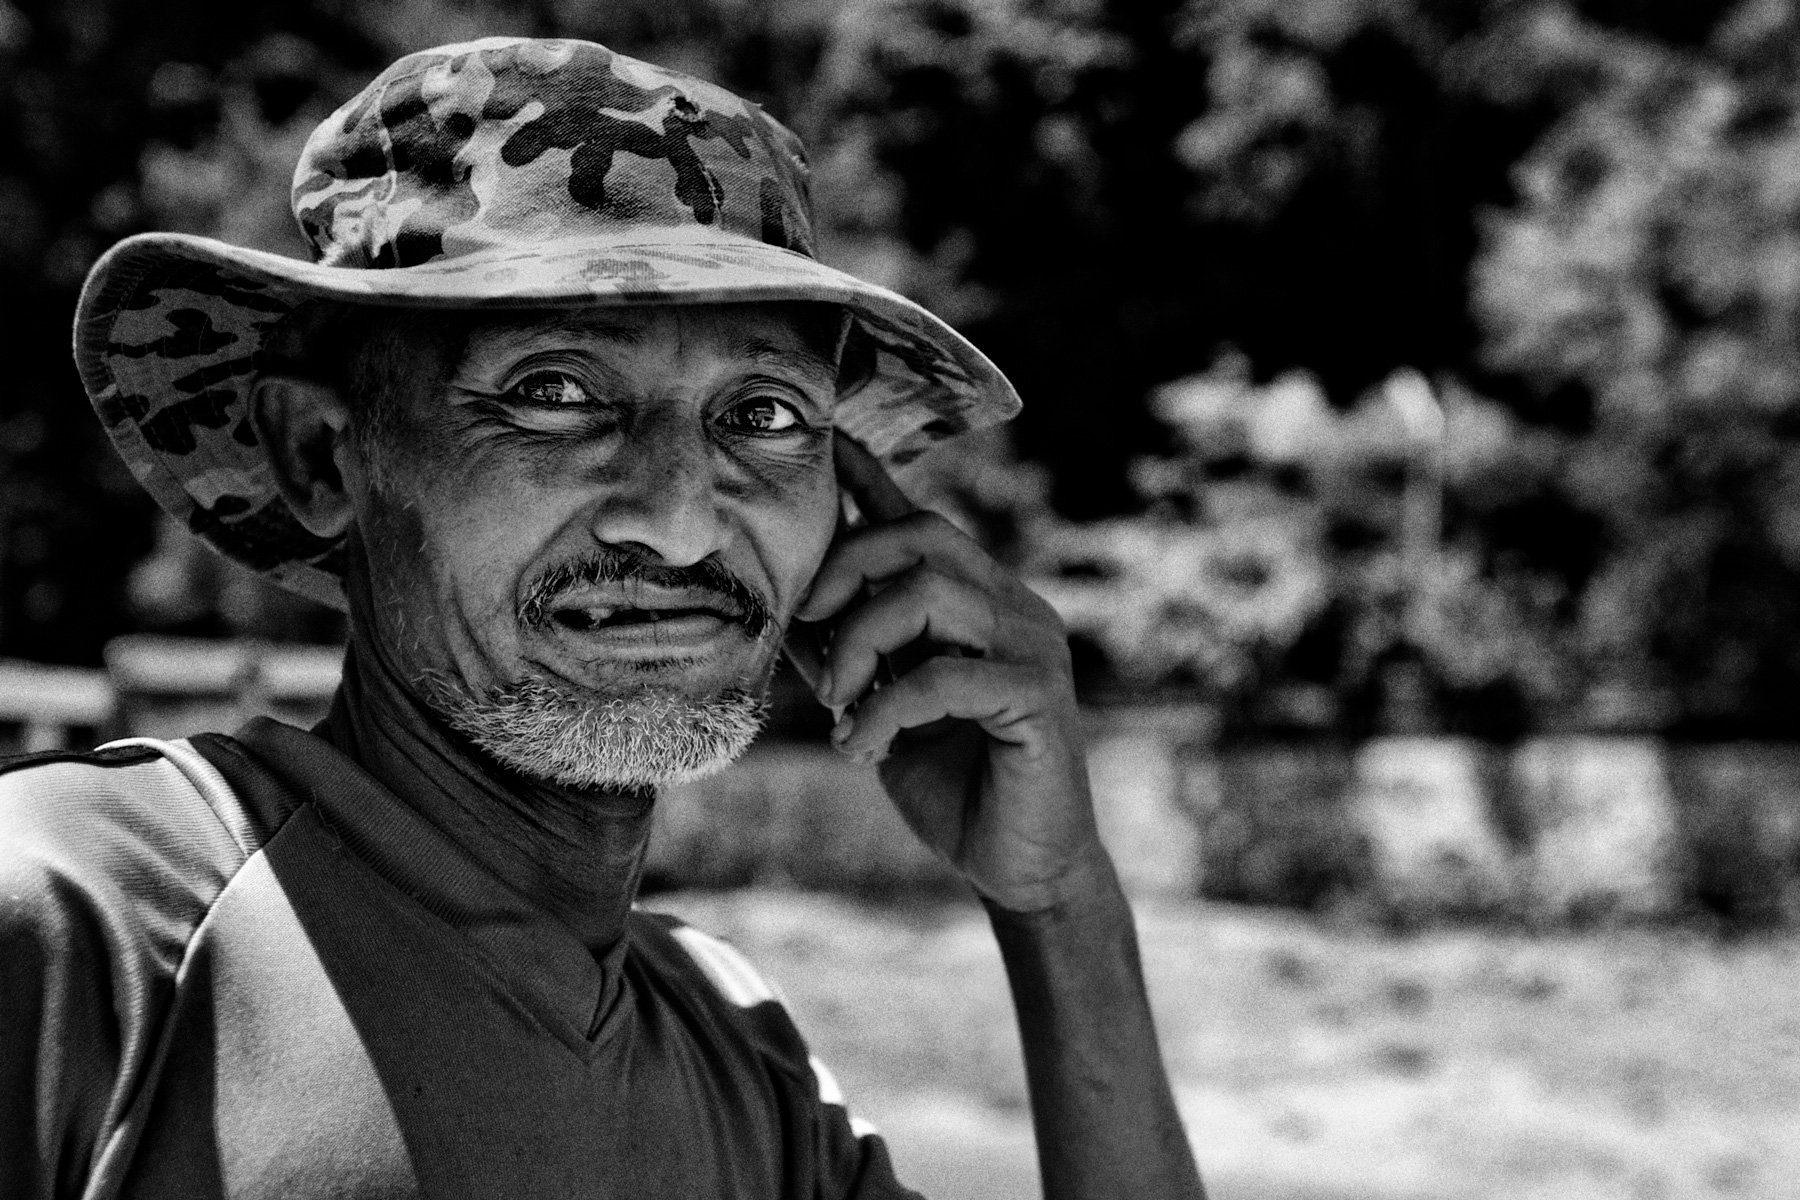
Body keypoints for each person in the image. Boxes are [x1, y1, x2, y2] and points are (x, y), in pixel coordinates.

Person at [2, 36, 1205, 1200]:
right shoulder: (77, 926)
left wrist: (1061, 908)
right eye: (557, 393)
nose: (682, 523)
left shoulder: (745, 1067)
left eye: (767, 415)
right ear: (326, 456)